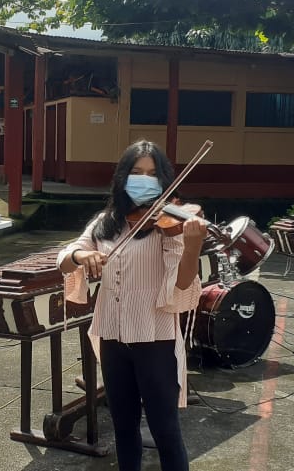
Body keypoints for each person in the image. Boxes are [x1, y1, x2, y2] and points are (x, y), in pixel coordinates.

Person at [57, 140, 207, 471]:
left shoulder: (170, 224)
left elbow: (181, 284)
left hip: (155, 339)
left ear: (164, 180)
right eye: (136, 172)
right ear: (123, 177)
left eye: (152, 174)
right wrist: (83, 255)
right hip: (112, 336)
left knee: (165, 431)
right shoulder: (105, 221)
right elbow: (65, 258)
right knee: (123, 429)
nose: (144, 180)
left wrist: (193, 246)